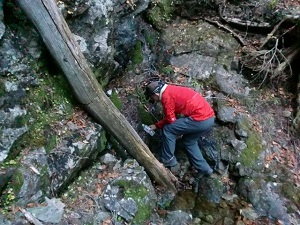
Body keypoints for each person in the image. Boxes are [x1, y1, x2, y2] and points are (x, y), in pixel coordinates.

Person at [144, 80, 216, 177]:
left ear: (156, 94)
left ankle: (168, 159)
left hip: (200, 119)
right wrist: (157, 125)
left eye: (152, 97)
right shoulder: (171, 89)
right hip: (209, 119)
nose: (154, 100)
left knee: (168, 130)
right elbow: (172, 116)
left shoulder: (166, 96)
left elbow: (171, 120)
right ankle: (205, 169)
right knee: (189, 141)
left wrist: (159, 126)